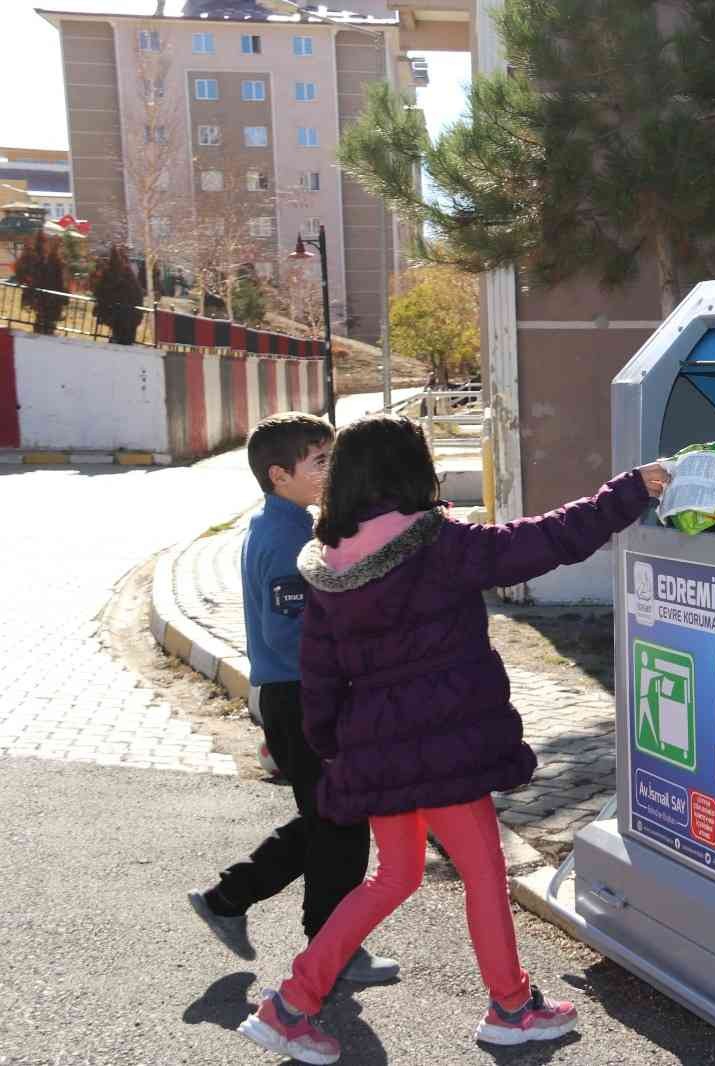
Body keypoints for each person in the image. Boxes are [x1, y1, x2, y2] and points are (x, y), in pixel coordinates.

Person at [238, 415, 670, 1064]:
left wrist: (333, 747)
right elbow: (547, 540)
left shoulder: (328, 562)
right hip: (444, 752)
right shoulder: (437, 543)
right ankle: (512, 1008)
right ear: (410, 471)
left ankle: (290, 1005)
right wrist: (628, 492)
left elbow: (319, 674)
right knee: (486, 876)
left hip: (375, 753)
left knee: (393, 877)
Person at [188, 413, 399, 985]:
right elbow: (294, 632)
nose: (331, 471)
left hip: (292, 695)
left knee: (328, 816)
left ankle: (229, 898)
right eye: (320, 462)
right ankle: (330, 953)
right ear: (279, 474)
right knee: (342, 825)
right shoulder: (285, 539)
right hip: (304, 696)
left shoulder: (285, 524)